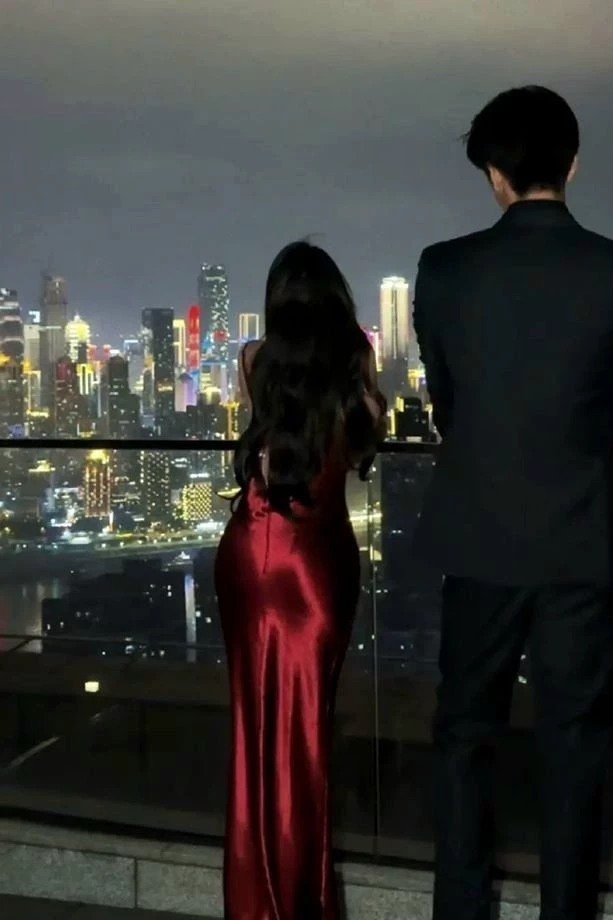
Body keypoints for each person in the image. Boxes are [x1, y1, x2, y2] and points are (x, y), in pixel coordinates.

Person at [413, 86, 613, 920]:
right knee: (576, 746)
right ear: (573, 163)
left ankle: (463, 910)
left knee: (464, 735)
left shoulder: (445, 270)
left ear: (494, 173)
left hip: (479, 535)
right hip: (583, 540)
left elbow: (447, 401)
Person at [215, 241, 385, 920]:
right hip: (317, 565)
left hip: (248, 553)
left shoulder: (253, 360)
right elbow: (364, 447)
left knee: (253, 738)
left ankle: (257, 901)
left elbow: (265, 433)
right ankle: (300, 902)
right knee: (306, 738)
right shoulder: (356, 365)